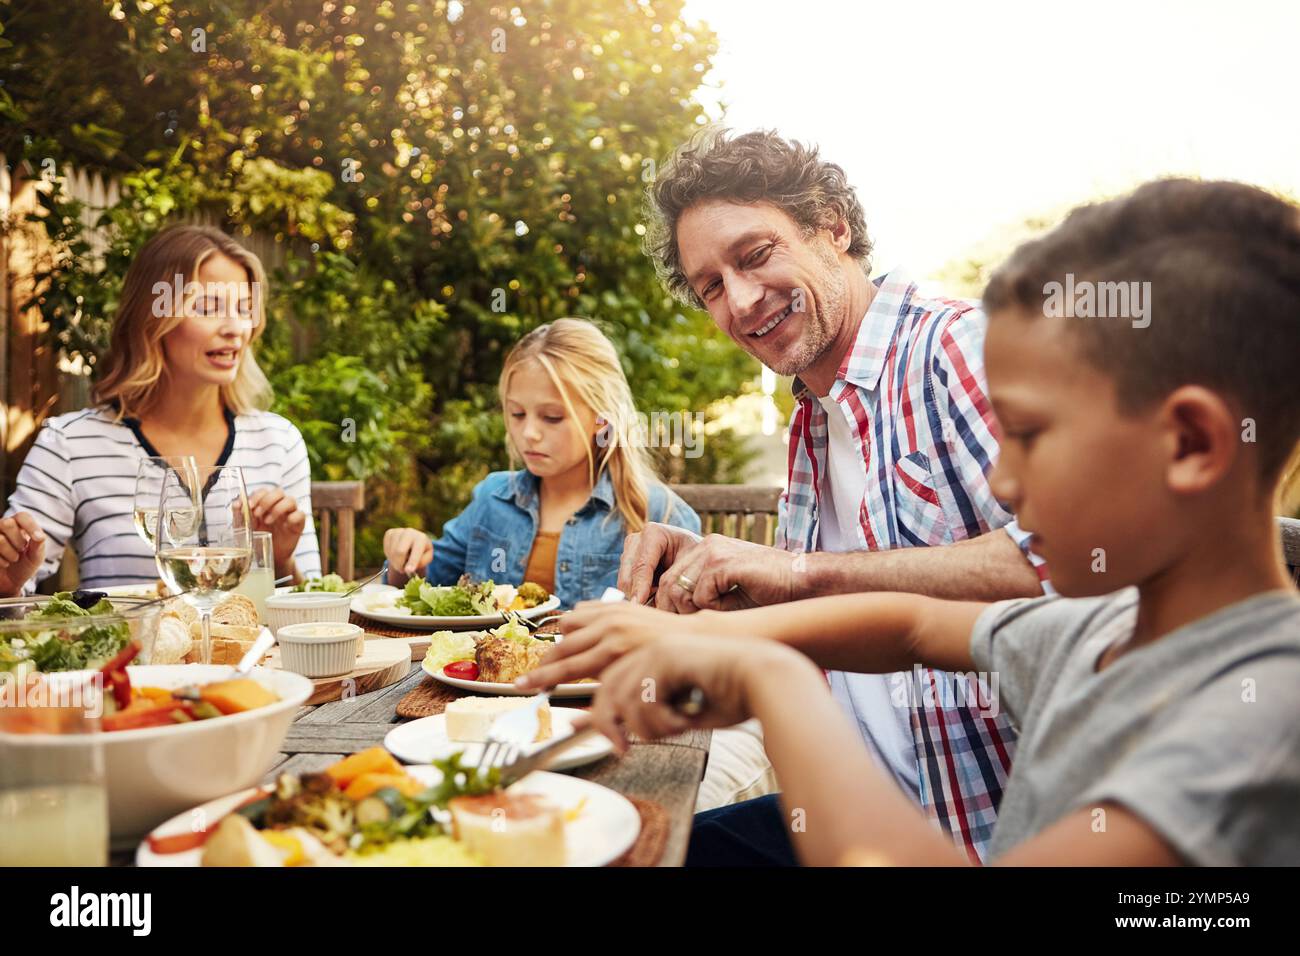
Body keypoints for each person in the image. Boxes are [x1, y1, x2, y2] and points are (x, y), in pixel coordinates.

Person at [537, 178, 1300, 865]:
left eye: (1027, 435)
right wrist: (705, 633)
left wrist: (768, 677)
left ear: (1192, 443)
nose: (1002, 475)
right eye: (711, 285)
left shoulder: (1266, 717)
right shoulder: (1092, 634)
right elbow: (905, 624)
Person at [610, 129, 1045, 847]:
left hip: (979, 834)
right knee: (625, 841)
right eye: (711, 286)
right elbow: (811, 606)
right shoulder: (813, 417)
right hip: (855, 820)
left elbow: (1063, 568)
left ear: (832, 228)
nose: (742, 301)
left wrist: (798, 573)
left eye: (755, 255)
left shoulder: (957, 349)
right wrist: (716, 571)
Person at [0, 225, 320, 595]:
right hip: (131, 652)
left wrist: (279, 560)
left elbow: (312, 605)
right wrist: (9, 582)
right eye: (207, 307)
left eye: (244, 308)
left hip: (256, 654)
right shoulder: (70, 443)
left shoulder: (278, 441)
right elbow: (14, 593)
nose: (236, 328)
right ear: (152, 319)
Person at [381, 318, 699, 608]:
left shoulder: (660, 515)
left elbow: (687, 632)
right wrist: (407, 557)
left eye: (552, 417)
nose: (529, 433)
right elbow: (423, 585)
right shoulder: (492, 498)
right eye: (517, 414)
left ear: (602, 420)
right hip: (487, 671)